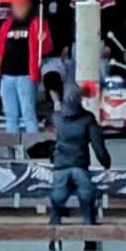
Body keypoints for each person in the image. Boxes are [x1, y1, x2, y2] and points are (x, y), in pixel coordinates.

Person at [0, 0, 52, 136]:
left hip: (26, 76)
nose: (18, 7)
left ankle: (33, 146)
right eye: (15, 4)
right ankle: (12, 148)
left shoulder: (37, 23)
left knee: (28, 115)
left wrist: (44, 39)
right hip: (6, 77)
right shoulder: (7, 24)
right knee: (10, 116)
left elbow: (46, 49)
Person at [49, 87, 112, 226]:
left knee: (57, 198)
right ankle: (89, 230)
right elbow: (98, 145)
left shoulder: (56, 117)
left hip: (60, 165)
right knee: (86, 198)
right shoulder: (88, 119)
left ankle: (54, 227)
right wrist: (106, 163)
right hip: (80, 165)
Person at [40, 0, 76, 110]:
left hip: (60, 49)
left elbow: (69, 22)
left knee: (63, 79)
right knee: (48, 77)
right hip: (41, 50)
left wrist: (67, 44)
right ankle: (55, 103)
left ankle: (64, 106)